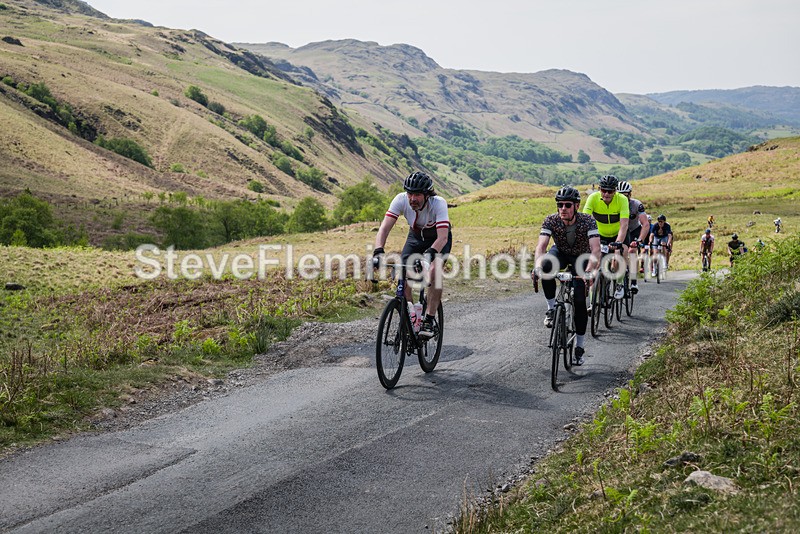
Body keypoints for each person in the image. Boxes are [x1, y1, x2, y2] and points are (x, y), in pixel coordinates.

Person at [373, 171, 452, 339]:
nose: (412, 199)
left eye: (417, 195)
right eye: (410, 194)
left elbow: (443, 237)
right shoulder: (400, 199)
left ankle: (429, 319)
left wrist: (430, 254)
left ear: (427, 195)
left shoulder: (438, 203)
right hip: (415, 237)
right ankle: (411, 317)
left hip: (437, 239)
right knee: (404, 274)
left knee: (434, 271)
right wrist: (378, 250)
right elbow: (384, 228)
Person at [533, 186, 601, 365]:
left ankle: (579, 346)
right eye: (560, 205)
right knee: (546, 265)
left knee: (579, 300)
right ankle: (551, 308)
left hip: (582, 257)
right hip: (561, 252)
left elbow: (595, 250)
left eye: (567, 205)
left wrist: (588, 272)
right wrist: (537, 267)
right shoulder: (551, 220)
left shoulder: (588, 221)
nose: (563, 208)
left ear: (577, 206)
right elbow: (541, 246)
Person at [582, 175, 629, 299]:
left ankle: (619, 284)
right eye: (604, 190)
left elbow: (624, 225)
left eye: (610, 191)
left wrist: (618, 242)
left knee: (620, 253)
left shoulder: (622, 200)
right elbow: (584, 221)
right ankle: (594, 302)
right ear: (599, 189)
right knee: (596, 264)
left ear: (615, 191)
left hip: (618, 234)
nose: (606, 194)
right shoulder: (593, 198)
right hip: (600, 235)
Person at [616, 180, 649, 294]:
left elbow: (645, 224)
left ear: (630, 194)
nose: (623, 198)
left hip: (634, 230)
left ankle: (634, 281)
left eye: (625, 195)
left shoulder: (636, 204)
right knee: (620, 252)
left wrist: (640, 240)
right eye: (620, 195)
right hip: (621, 230)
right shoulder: (615, 204)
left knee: (632, 251)